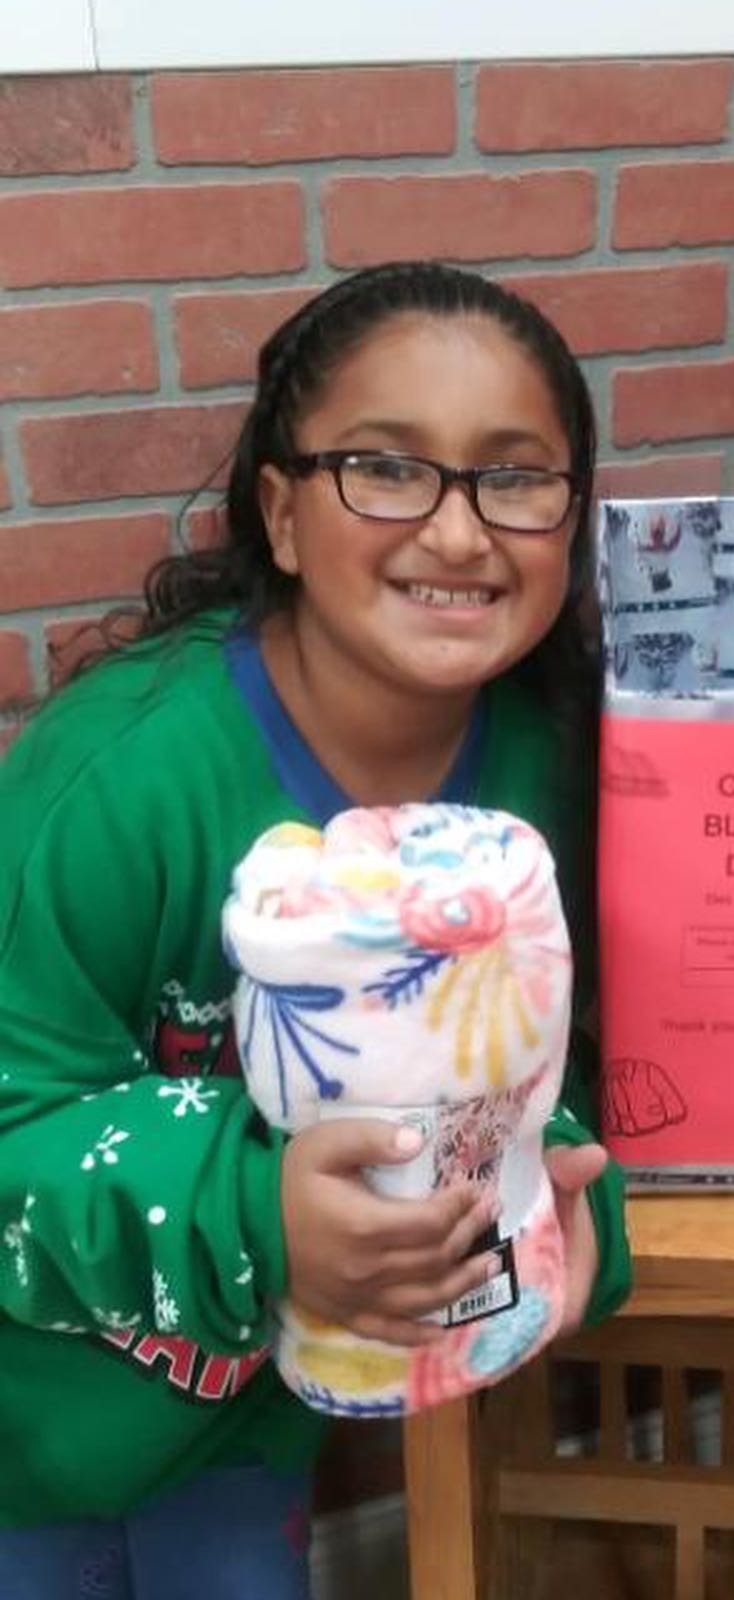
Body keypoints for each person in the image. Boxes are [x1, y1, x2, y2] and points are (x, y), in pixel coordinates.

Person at [0, 261, 631, 1598]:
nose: (457, 532)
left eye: (516, 477)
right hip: (26, 1419)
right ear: (282, 514)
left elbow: (553, 1069)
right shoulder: (115, 788)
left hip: (248, 1424)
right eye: (386, 468)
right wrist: (255, 1206)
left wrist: (568, 1203)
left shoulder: (557, 776)